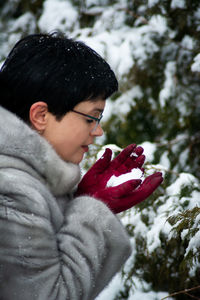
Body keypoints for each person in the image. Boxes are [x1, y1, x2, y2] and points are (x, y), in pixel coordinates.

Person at [0, 32, 163, 300]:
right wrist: (91, 214)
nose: (98, 132)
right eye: (91, 118)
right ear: (41, 115)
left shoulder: (25, 181)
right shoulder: (12, 193)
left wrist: (78, 202)